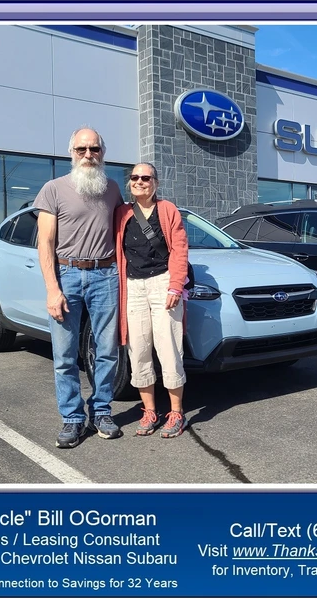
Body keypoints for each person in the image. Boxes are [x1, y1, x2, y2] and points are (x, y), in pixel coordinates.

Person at [34, 127, 124, 448]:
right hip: (67, 274)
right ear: (71, 152)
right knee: (64, 355)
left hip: (105, 275)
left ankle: (101, 411)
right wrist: (51, 289)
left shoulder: (112, 189)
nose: (89, 155)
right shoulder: (53, 189)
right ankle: (72, 418)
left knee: (107, 351)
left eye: (94, 149)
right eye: (82, 149)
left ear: (102, 152)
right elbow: (44, 242)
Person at [115, 162, 189, 438]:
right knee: (139, 350)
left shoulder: (168, 210)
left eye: (145, 177)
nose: (139, 182)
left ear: (155, 183)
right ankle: (149, 411)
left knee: (169, 349)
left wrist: (175, 287)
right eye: (135, 177)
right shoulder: (122, 213)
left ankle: (176, 412)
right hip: (133, 287)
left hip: (163, 284)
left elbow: (180, 250)